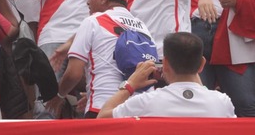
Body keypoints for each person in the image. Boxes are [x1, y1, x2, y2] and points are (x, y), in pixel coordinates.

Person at [46, 0, 151, 118]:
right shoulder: (142, 26)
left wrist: (59, 95)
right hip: (139, 112)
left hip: (102, 110)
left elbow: (74, 73)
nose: (88, 1)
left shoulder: (93, 21)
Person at [98, 32, 235, 118]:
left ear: (165, 64)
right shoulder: (222, 103)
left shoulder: (146, 102)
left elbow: (102, 118)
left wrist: (130, 84)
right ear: (202, 64)